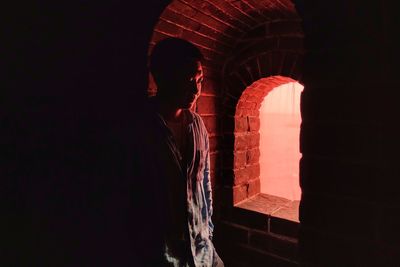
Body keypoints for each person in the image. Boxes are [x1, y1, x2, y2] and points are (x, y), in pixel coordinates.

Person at [134, 38, 224, 267]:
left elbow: (204, 184)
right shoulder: (140, 128)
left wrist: (208, 231)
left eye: (200, 80)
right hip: (161, 255)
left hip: (202, 250)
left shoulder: (197, 125)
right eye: (188, 79)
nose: (196, 88)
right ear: (162, 76)